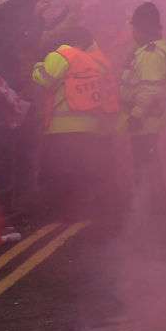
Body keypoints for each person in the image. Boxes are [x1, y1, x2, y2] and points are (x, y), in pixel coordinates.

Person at [32, 25, 119, 219]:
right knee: (84, 171)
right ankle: (88, 210)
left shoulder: (63, 54)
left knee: (58, 172)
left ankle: (63, 213)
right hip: (92, 126)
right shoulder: (97, 61)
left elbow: (45, 80)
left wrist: (37, 65)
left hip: (61, 127)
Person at [120, 2, 166, 211]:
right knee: (148, 161)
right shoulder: (147, 50)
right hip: (147, 118)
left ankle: (148, 208)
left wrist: (136, 114)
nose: (132, 32)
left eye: (134, 28)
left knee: (144, 163)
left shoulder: (151, 53)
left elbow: (151, 89)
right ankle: (155, 204)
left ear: (142, 29)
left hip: (145, 119)